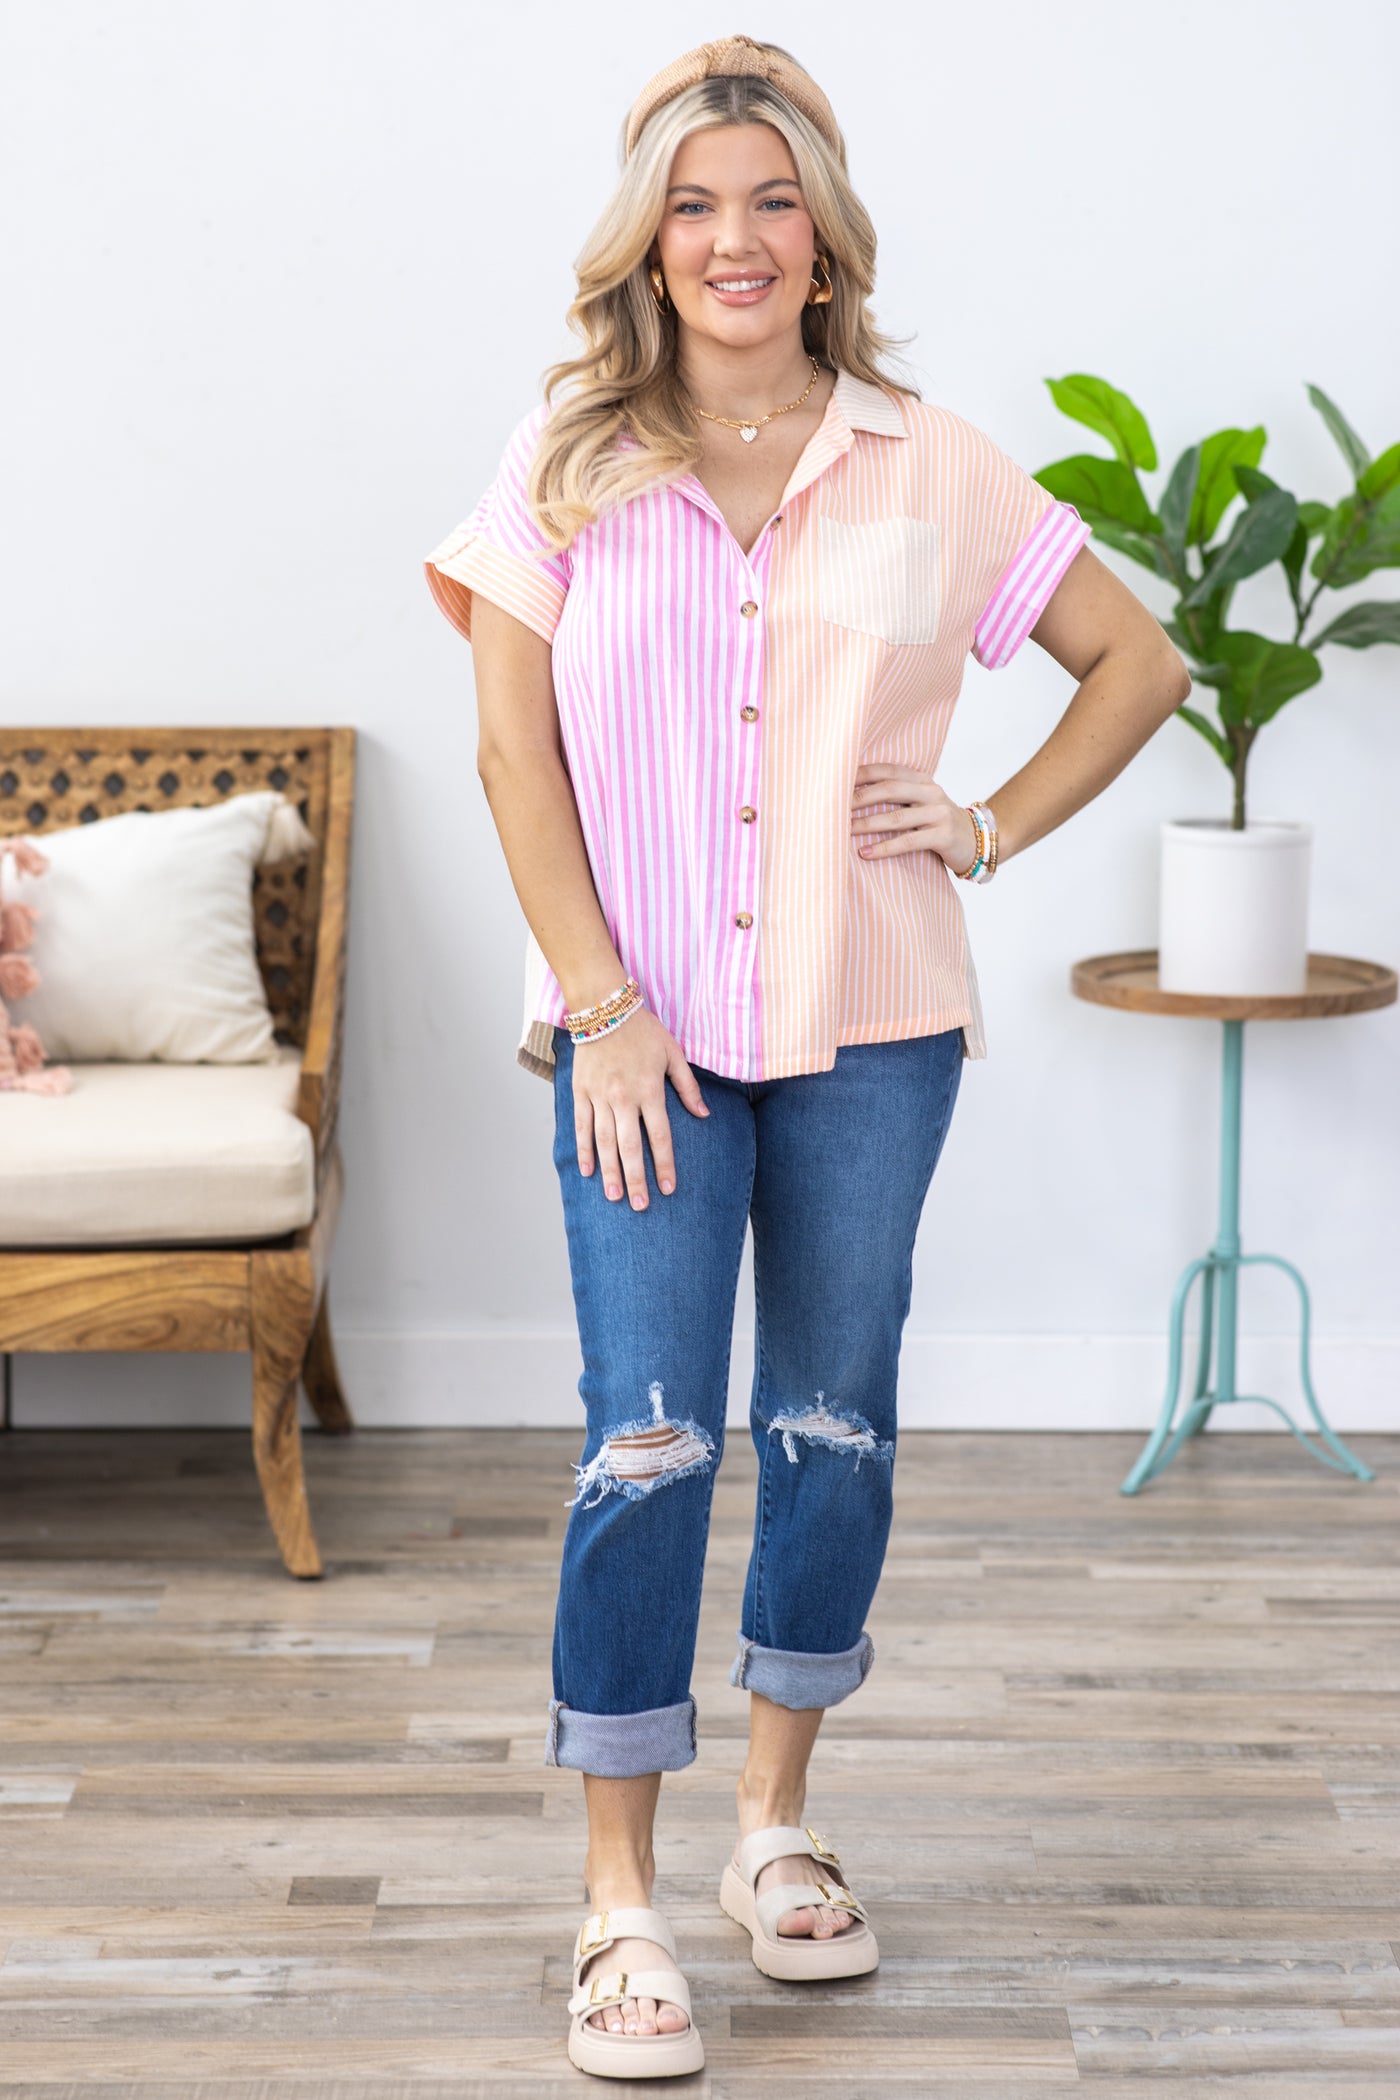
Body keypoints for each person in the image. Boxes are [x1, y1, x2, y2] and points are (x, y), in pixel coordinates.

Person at [423, 34, 1189, 2081]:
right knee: (648, 1435)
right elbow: (513, 752)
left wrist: (992, 821)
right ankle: (614, 1904)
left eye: (772, 201)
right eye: (695, 203)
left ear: (828, 240)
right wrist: (596, 1003)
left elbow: (1143, 662)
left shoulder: (930, 459)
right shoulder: (566, 456)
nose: (734, 237)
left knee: (832, 1422)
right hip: (635, 1037)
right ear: (644, 241)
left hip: (875, 1017)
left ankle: (775, 1826)